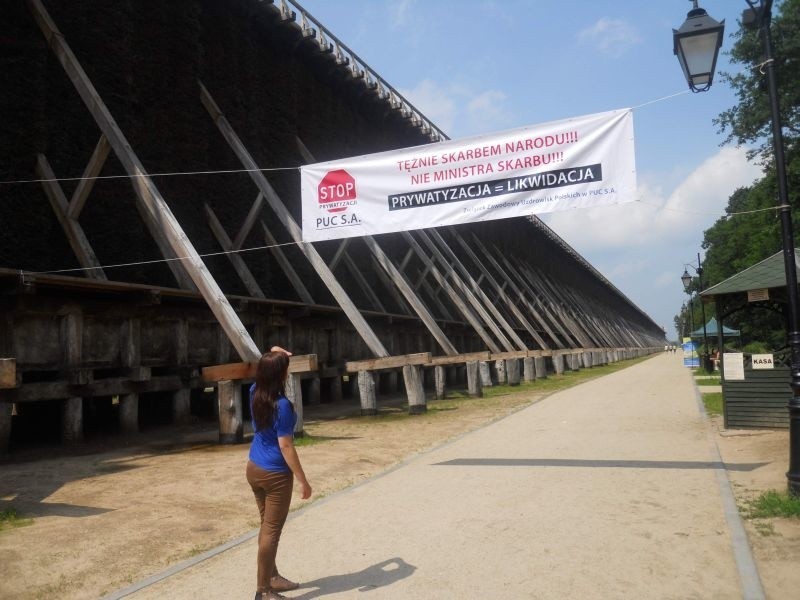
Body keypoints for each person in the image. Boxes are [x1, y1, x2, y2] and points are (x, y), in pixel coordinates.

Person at [246, 347, 312, 600]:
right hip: (275, 474)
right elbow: (286, 445)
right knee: (271, 532)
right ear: (282, 374)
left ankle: (272, 577)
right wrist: (303, 480)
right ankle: (263, 591)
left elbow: (268, 364)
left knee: (266, 528)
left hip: (254, 468)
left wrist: (276, 352)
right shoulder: (282, 405)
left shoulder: (255, 392)